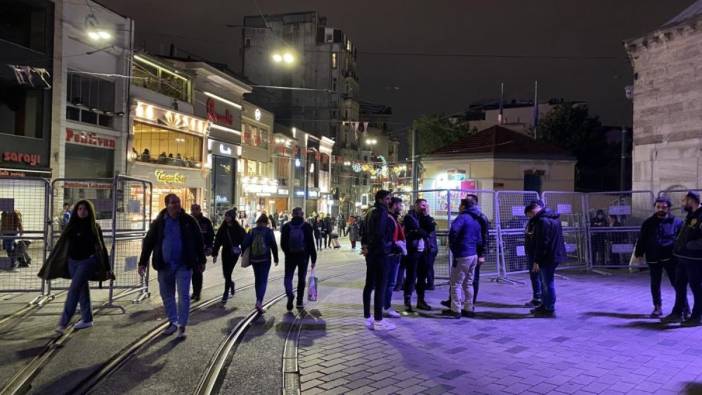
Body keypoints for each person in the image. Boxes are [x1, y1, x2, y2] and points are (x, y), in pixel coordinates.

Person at [39, 200, 112, 334]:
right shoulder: (71, 226)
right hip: (73, 262)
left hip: (88, 261)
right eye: (79, 209)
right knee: (82, 290)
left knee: (73, 290)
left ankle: (63, 323)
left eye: (84, 209)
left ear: (89, 211)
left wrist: (107, 268)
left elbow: (102, 248)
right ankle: (87, 319)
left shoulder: (94, 227)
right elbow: (61, 246)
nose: (82, 211)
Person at [138, 194, 205, 339]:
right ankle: (173, 321)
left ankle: (182, 324)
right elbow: (148, 242)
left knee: (183, 295)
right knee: (166, 295)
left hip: (183, 264)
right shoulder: (159, 222)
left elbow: (198, 240)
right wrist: (142, 262)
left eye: (178, 202)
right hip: (165, 265)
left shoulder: (189, 220)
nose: (176, 205)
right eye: (173, 202)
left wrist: (201, 260)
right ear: (166, 205)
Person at [634, 197, 685, 318]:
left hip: (670, 258)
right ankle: (657, 307)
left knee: (677, 283)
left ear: (669, 208)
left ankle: (684, 307)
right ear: (655, 207)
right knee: (655, 283)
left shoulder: (676, 222)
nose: (661, 209)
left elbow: (682, 239)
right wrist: (639, 254)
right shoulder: (648, 222)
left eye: (664, 207)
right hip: (653, 257)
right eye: (658, 207)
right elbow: (642, 239)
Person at [441, 194, 489, 309]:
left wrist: (454, 248)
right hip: (473, 254)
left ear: (463, 206)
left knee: (456, 284)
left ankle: (455, 309)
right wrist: (480, 253)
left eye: (459, 205)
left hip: (463, 254)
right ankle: (468, 307)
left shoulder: (462, 217)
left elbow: (453, 232)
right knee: (468, 283)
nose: (458, 207)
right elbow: (481, 237)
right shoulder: (478, 218)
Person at [524, 200, 566, 317]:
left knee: (547, 283)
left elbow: (542, 243)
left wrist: (537, 260)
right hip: (553, 255)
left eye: (529, 216)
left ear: (532, 211)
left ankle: (549, 308)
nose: (530, 218)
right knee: (545, 282)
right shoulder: (553, 218)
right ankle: (545, 304)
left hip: (548, 256)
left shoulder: (542, 221)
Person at [362, 190, 396, 331]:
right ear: (381, 199)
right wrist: (390, 247)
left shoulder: (370, 211)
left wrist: (366, 247)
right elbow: (380, 234)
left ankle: (367, 317)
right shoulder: (382, 212)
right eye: (388, 199)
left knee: (369, 284)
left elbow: (364, 232)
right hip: (380, 254)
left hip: (371, 254)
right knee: (381, 286)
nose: (389, 201)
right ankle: (378, 320)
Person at [672, 191, 702, 327]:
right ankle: (677, 313)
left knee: (696, 287)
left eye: (685, 200)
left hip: (695, 259)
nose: (683, 203)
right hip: (683, 257)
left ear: (692, 200)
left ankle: (697, 317)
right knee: (679, 284)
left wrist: (690, 245)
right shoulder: (690, 215)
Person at [281, 207, 317, 310]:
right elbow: (311, 244)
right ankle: (299, 301)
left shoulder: (286, 227)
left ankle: (290, 295)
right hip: (303, 257)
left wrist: (288, 252)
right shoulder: (307, 226)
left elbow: (283, 244)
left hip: (290, 257)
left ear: (292, 215)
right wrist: (314, 259)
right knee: (301, 278)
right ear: (302, 215)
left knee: (288, 278)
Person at [242, 214, 279, 313]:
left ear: (258, 222)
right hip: (265, 259)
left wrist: (243, 254)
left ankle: (258, 300)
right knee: (263, 280)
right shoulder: (269, 231)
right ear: (266, 223)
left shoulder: (252, 231)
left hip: (254, 259)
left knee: (257, 280)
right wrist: (276, 258)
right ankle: (259, 301)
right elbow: (273, 245)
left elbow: (245, 243)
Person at [402, 199, 434, 311]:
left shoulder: (425, 217)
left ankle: (421, 301)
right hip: (413, 251)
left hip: (424, 251)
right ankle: (407, 301)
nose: (423, 207)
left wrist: (426, 216)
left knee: (422, 277)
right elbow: (420, 231)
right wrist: (423, 232)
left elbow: (431, 229)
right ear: (416, 205)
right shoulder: (409, 217)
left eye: (425, 205)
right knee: (411, 277)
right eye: (422, 205)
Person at [212, 209, 246, 304]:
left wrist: (243, 252)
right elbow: (217, 241)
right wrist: (215, 254)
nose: (226, 218)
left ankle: (225, 293)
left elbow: (244, 240)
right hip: (225, 252)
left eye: (228, 216)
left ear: (232, 217)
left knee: (228, 272)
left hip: (234, 253)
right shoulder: (223, 228)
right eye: (226, 216)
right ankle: (231, 283)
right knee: (225, 273)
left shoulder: (238, 228)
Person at [384, 197, 406, 319]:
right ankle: (386, 307)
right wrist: (396, 247)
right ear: (393, 205)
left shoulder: (393, 218)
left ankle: (385, 305)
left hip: (394, 254)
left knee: (390, 283)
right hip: (391, 255)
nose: (401, 207)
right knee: (389, 283)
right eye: (399, 205)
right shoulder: (389, 218)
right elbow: (388, 238)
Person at [190, 204, 214, 302]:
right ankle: (195, 291)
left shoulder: (206, 221)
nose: (194, 211)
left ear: (200, 210)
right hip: (190, 250)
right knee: (192, 272)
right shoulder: (188, 220)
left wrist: (209, 246)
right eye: (193, 209)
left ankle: (197, 292)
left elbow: (211, 235)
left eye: (196, 209)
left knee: (198, 272)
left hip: (200, 250)